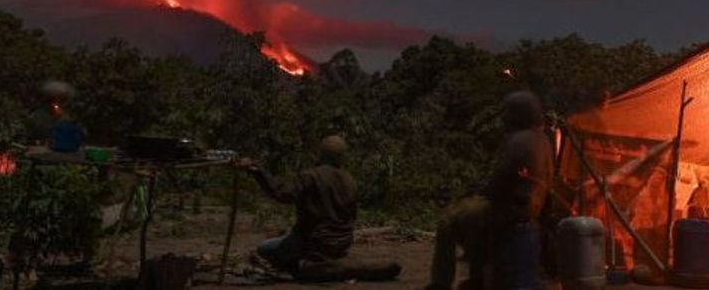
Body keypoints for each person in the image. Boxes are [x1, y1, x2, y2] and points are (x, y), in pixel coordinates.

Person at [427, 90, 554, 290]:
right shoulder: (543, 140)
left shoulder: (518, 142)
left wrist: (477, 195)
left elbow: (499, 184)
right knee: (473, 224)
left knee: (449, 221)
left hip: (508, 209)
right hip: (527, 209)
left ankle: (440, 283)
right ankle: (478, 273)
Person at [237, 136, 399, 281]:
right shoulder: (350, 181)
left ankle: (307, 265)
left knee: (263, 249)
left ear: (321, 153)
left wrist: (258, 171)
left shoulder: (311, 176)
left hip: (314, 244)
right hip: (341, 244)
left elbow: (281, 193)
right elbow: (352, 216)